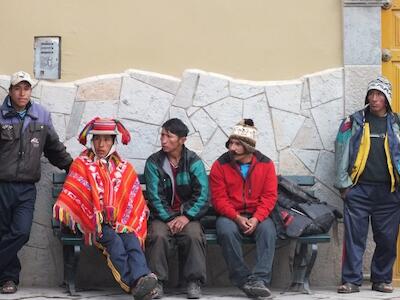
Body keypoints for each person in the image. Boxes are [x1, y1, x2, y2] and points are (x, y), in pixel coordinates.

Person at [53, 117, 157, 300]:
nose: (102, 144)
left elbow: (132, 199)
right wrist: (95, 218)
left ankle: (142, 279)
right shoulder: (81, 164)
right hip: (94, 224)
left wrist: (124, 220)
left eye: (107, 139)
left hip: (121, 222)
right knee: (114, 242)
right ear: (92, 141)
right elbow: (75, 195)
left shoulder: (124, 167)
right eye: (98, 139)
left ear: (113, 142)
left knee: (132, 240)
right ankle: (135, 285)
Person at [0, 71, 73, 294]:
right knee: (3, 232)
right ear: (10, 91)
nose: (22, 93)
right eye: (17, 88)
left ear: (31, 90)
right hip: (2, 185)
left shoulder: (41, 115)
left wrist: (74, 168)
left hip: (26, 188)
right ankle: (8, 280)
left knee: (21, 232)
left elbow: (54, 147)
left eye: (27, 88)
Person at [335, 76, 400, 294]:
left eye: (379, 95)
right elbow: (341, 152)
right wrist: (344, 186)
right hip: (359, 190)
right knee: (354, 239)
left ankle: (381, 279)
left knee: (387, 240)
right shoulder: (353, 121)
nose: (374, 99)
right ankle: (351, 281)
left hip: (389, 192)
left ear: (387, 98)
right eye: (371, 94)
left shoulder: (396, 124)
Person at [209, 119, 277, 298]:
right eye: (231, 142)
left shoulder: (266, 164)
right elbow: (219, 199)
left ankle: (260, 280)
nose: (232, 148)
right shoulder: (220, 165)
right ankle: (244, 280)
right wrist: (236, 217)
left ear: (249, 147)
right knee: (226, 230)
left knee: (268, 230)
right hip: (230, 215)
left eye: (238, 144)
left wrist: (257, 218)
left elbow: (270, 197)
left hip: (257, 214)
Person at [144, 118, 209, 299]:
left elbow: (203, 195)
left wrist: (186, 216)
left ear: (182, 140)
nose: (163, 140)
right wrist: (170, 218)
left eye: (169, 136)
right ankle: (156, 282)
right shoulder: (154, 162)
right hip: (162, 217)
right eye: (162, 135)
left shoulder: (194, 161)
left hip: (188, 217)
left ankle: (193, 282)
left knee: (194, 234)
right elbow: (154, 197)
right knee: (157, 235)